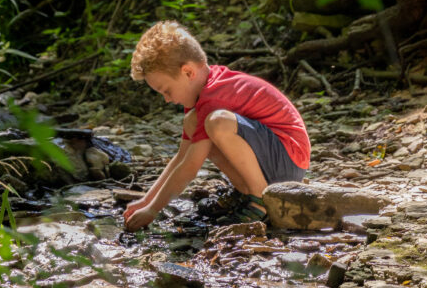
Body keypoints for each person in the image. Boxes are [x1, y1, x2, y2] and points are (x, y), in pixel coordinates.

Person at [123, 20, 310, 232]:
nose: (167, 99)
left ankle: (260, 200)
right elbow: (182, 157)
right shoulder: (200, 96)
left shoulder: (213, 98)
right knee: (195, 123)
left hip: (288, 159)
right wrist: (146, 202)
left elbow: (190, 167)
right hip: (273, 160)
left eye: (166, 90)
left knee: (218, 122)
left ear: (188, 73)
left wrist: (154, 210)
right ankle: (245, 192)